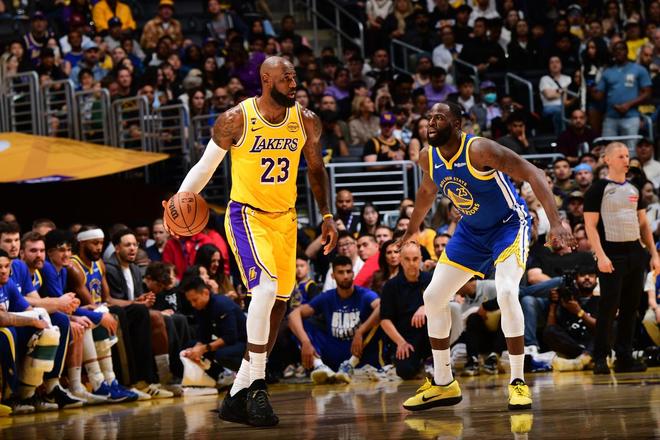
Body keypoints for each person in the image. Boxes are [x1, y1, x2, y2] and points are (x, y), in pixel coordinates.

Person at [168, 56, 338, 427]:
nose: (293, 83)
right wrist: (179, 200)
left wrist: (326, 215)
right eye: (286, 78)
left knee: (279, 303)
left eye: (295, 76)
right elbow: (205, 167)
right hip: (246, 215)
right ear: (266, 80)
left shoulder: (306, 120)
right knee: (265, 289)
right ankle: (258, 385)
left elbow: (315, 168)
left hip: (286, 219)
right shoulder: (236, 119)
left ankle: (237, 395)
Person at [399, 101, 573, 412]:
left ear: (457, 125)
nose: (431, 122)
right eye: (429, 117)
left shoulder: (479, 149)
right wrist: (413, 228)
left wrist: (556, 222)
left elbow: (533, 172)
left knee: (506, 292)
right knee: (433, 297)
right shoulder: (428, 156)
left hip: (509, 225)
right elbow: (427, 191)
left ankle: (517, 382)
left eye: (439, 117)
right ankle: (443, 383)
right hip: (471, 232)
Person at [583, 142, 659, 374]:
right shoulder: (598, 189)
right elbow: (590, 226)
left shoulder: (634, 188)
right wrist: (600, 255)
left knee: (631, 307)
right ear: (607, 159)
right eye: (620, 156)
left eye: (627, 156)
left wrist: (654, 254)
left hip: (635, 252)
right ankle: (600, 357)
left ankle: (624, 357)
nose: (626, 160)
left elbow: (643, 224)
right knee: (608, 307)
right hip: (611, 253)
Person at [287, 256, 381, 384]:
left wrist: (360, 331)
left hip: (359, 352)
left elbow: (382, 307)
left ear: (353, 273)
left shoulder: (364, 294)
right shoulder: (327, 296)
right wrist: (305, 342)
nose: (346, 276)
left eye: (348, 271)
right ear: (333, 276)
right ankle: (319, 366)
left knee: (380, 319)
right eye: (341, 272)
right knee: (301, 324)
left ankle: (350, 365)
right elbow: (293, 315)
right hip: (333, 350)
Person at [380, 243, 432, 379]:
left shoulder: (431, 279)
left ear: (421, 259)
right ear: (401, 260)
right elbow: (385, 320)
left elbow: (445, 303)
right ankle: (417, 363)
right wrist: (400, 342)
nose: (412, 263)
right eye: (407, 259)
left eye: (415, 259)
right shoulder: (391, 286)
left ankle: (433, 358)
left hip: (429, 334)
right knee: (405, 371)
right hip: (405, 338)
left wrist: (425, 307)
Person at [181, 276, 247, 378]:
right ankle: (219, 376)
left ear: (205, 293)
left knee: (221, 354)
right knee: (188, 347)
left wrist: (203, 349)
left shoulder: (222, 304)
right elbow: (203, 336)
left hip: (243, 343)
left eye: (195, 300)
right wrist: (195, 349)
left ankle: (249, 374)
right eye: (190, 301)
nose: (193, 304)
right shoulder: (201, 308)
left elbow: (230, 337)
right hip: (226, 341)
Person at [591, 42, 652, 149]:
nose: (619, 52)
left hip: (631, 116)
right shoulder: (607, 72)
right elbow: (599, 96)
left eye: (622, 49)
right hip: (610, 117)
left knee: (631, 150)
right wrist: (589, 86)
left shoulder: (639, 69)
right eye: (616, 50)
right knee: (608, 150)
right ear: (613, 53)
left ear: (627, 51)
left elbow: (647, 93)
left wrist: (628, 105)